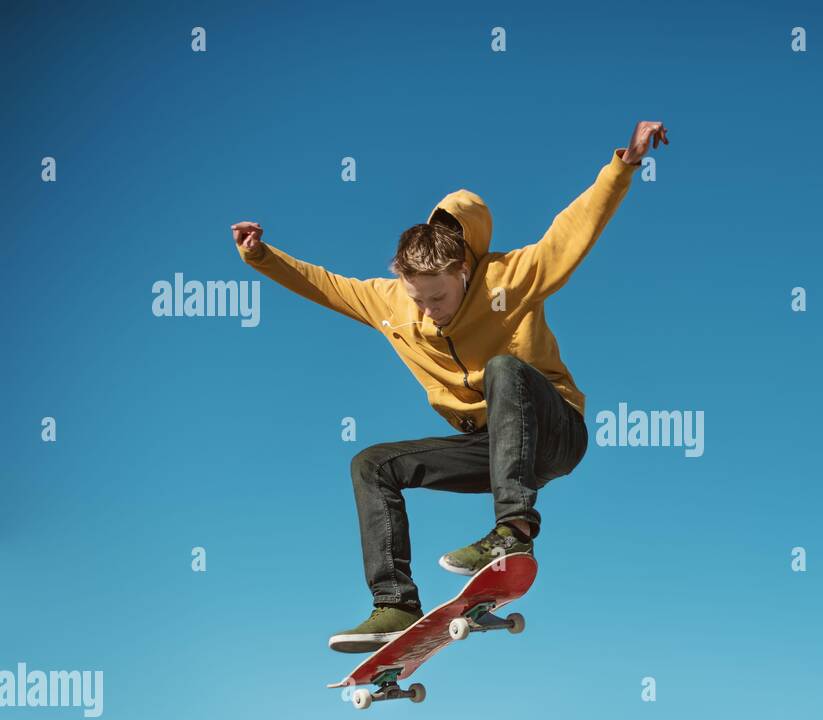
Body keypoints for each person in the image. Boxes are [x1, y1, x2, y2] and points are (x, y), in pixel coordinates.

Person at [230, 122, 669, 653]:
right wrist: (261, 256)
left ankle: (512, 532)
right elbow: (324, 285)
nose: (426, 312)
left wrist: (624, 165)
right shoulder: (392, 303)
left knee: (505, 369)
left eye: (437, 298)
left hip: (553, 431)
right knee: (371, 463)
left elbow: (572, 233)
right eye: (417, 298)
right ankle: (394, 603)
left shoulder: (510, 278)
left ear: (463, 272)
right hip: (489, 448)